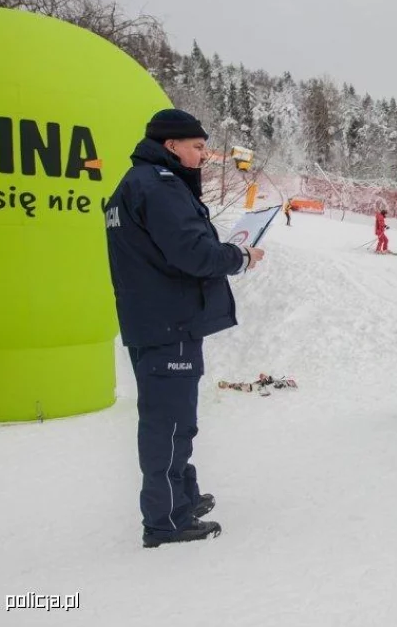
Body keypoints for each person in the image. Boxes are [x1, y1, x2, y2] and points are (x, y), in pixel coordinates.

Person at [104, 108, 265, 548]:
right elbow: (193, 253)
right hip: (167, 322)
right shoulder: (158, 186)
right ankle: (166, 520)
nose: (203, 155)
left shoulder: (134, 184)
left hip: (156, 320)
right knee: (169, 425)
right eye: (196, 147)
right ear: (171, 145)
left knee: (177, 420)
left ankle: (183, 496)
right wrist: (240, 256)